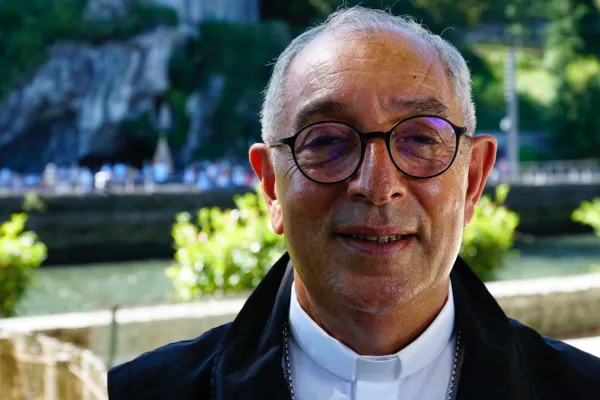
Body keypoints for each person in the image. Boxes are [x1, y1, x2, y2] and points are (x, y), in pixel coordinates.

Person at [107, 6, 600, 400]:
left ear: (472, 180)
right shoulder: (144, 391)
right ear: (271, 186)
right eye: (326, 142)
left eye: (420, 140)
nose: (376, 184)